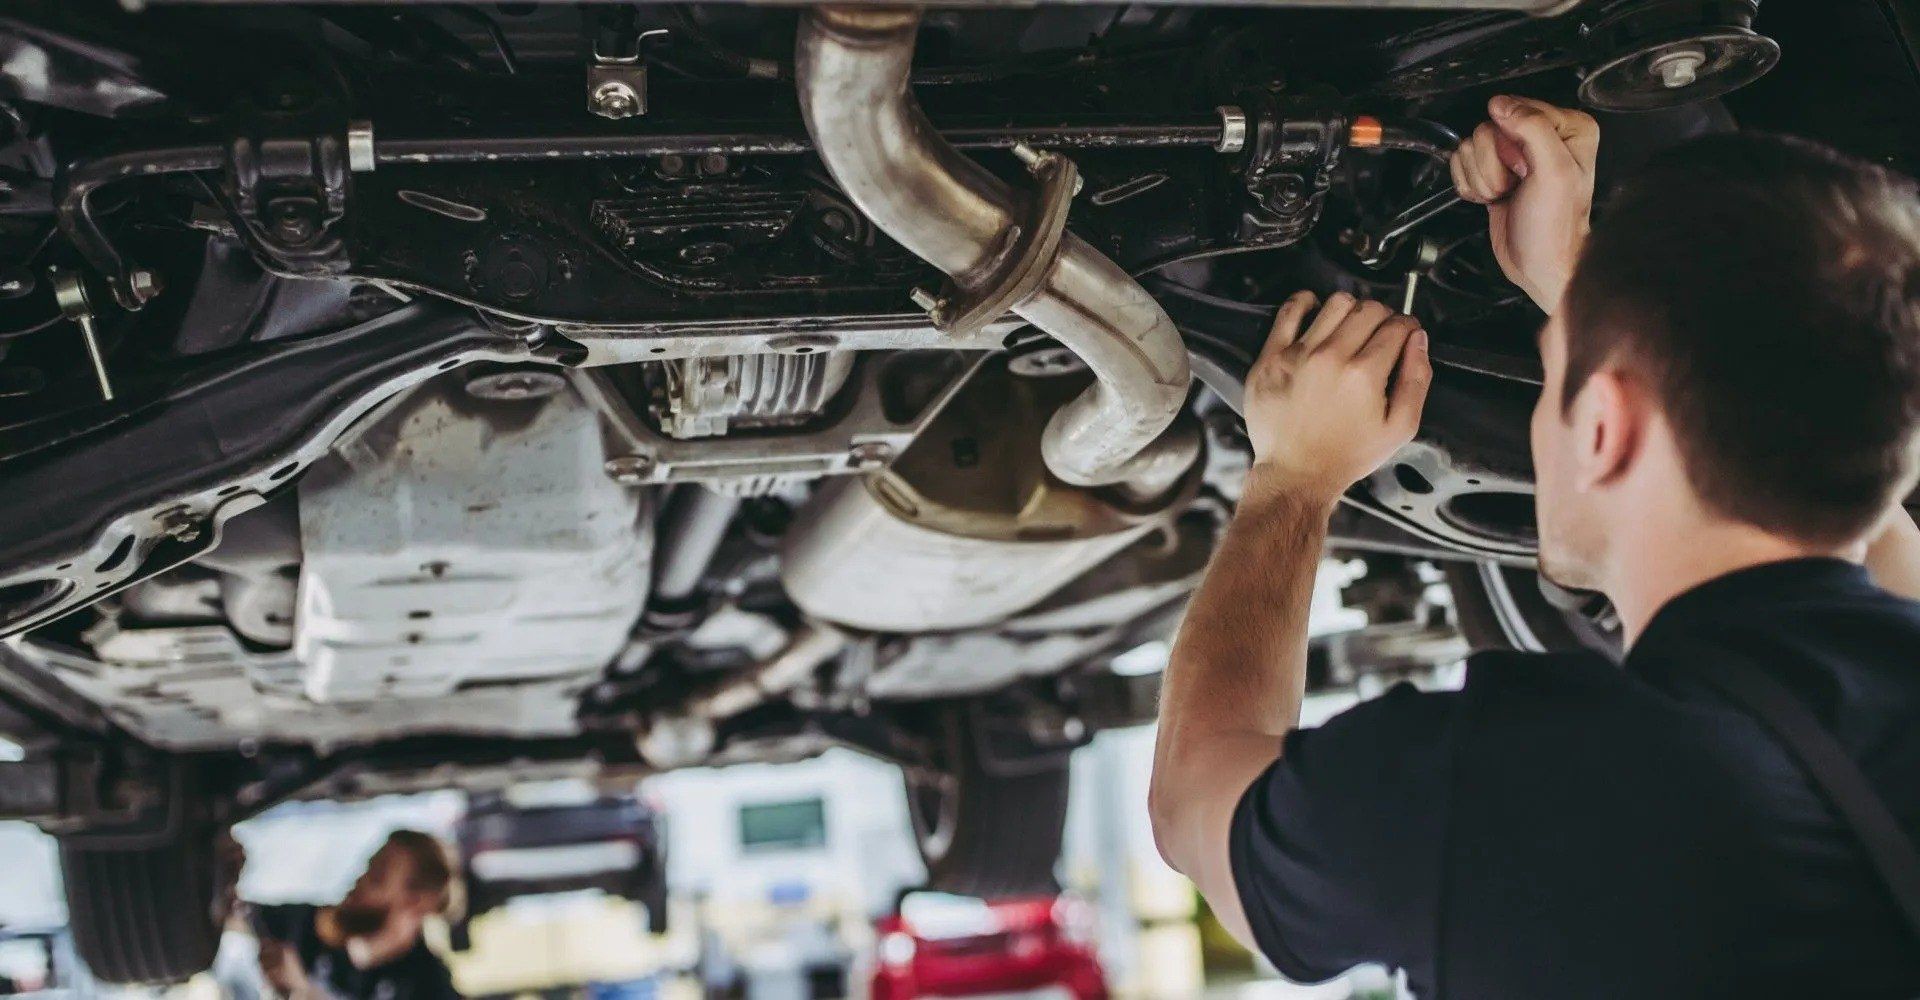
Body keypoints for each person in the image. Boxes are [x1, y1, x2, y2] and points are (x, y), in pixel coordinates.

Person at [1148, 94, 1920, 997]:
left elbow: (1196, 798)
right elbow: (1870, 530)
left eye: (1552, 380)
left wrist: (1294, 480)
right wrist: (1583, 291)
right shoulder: (1521, 783)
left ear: (1602, 424)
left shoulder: (1515, 787)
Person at [251, 830, 462, 1000]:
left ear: (415, 902)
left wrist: (304, 993)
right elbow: (239, 917)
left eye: (377, 878)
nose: (360, 881)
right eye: (367, 868)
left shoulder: (428, 985)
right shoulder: (307, 923)